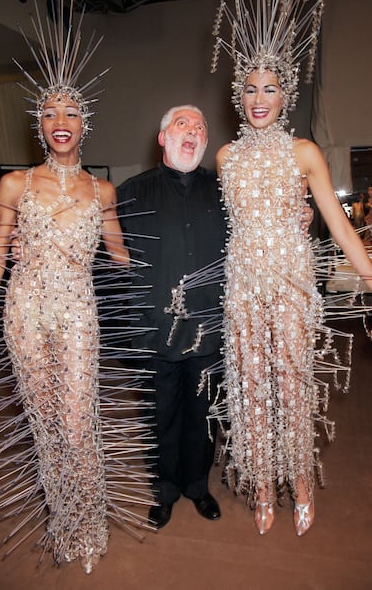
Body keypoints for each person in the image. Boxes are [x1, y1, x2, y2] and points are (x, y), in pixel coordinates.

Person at [0, 0, 153, 574]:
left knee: (78, 422)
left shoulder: (103, 194)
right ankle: (63, 517)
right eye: (49, 112)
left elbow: (124, 256)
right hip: (23, 314)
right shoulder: (14, 186)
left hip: (77, 316)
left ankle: (87, 521)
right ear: (39, 123)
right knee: (45, 425)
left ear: (85, 123)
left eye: (70, 112)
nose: (59, 122)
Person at [211, 0, 372, 537]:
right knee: (250, 388)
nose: (259, 100)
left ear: (285, 95)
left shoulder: (304, 152)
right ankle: (264, 483)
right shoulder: (225, 158)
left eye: (270, 89)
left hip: (291, 287)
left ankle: (301, 482)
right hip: (241, 288)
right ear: (238, 95)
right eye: (250, 89)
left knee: (291, 386)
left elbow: (338, 226)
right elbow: (227, 225)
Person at [116, 105, 225, 528]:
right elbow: (99, 249)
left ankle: (198, 486)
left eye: (200, 127)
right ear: (163, 138)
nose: (193, 132)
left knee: (202, 415)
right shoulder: (130, 192)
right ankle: (164, 492)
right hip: (155, 329)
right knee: (161, 416)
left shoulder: (223, 191)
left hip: (210, 327)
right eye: (183, 124)